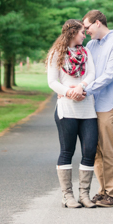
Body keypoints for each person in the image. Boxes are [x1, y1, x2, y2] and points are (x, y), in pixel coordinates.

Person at [68, 10, 113, 208]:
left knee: (109, 150)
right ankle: (103, 193)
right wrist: (69, 87)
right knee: (96, 151)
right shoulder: (92, 45)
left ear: (98, 23)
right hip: (93, 105)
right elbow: (85, 71)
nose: (85, 31)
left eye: (87, 27)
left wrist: (84, 89)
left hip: (110, 104)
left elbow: (109, 75)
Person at [46, 19, 98, 209]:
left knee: (89, 150)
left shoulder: (86, 53)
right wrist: (70, 93)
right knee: (67, 151)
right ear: (73, 32)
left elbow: (91, 75)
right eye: (82, 32)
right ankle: (67, 196)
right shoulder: (56, 53)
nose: (85, 35)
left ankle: (84, 195)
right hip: (66, 108)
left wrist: (81, 87)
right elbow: (52, 82)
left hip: (87, 108)